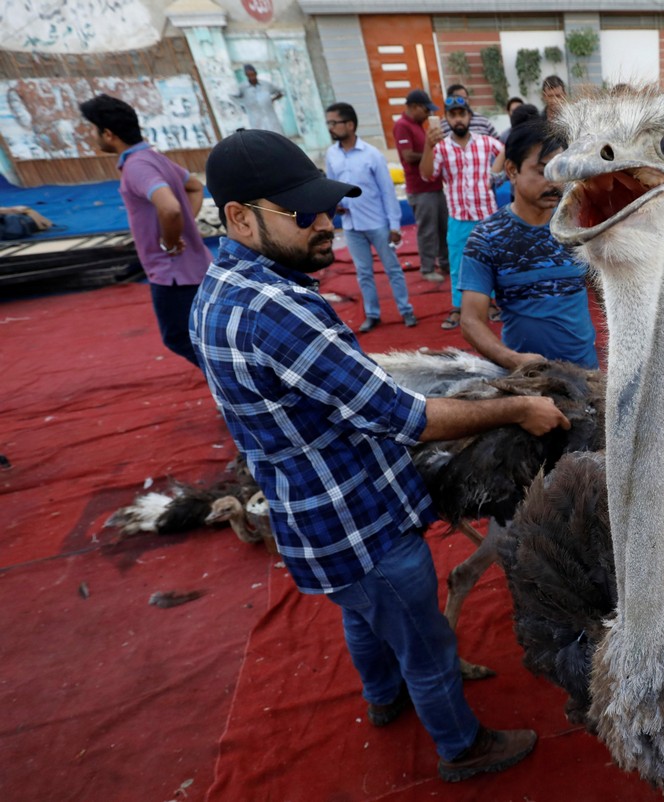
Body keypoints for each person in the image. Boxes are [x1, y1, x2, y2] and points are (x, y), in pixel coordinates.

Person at [192, 129, 567, 782]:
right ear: (239, 218)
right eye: (302, 213)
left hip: (310, 520)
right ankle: (461, 747)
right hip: (361, 523)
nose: (325, 224)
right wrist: (515, 407)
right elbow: (403, 418)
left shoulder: (217, 289)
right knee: (426, 644)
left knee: (364, 619)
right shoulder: (278, 310)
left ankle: (382, 696)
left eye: (325, 207)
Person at [79, 94, 208, 367]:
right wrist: (183, 226)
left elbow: (170, 208)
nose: (94, 137)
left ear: (109, 134)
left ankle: (234, 388)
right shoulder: (152, 158)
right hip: (192, 266)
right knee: (200, 335)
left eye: (94, 130)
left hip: (171, 272)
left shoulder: (137, 167)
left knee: (179, 337)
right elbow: (194, 187)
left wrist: (171, 242)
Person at [459, 120, 598, 369]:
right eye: (543, 171)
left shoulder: (580, 227)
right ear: (512, 170)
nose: (555, 183)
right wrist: (513, 361)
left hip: (586, 375)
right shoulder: (487, 237)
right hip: (524, 381)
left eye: (561, 171)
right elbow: (471, 320)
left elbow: (606, 295)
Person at [325, 102, 416, 332]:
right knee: (363, 272)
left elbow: (387, 191)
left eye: (334, 123)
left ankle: (406, 310)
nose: (331, 127)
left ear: (350, 124)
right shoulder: (332, 155)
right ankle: (372, 314)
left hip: (377, 223)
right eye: (329, 123)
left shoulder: (371, 155)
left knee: (392, 269)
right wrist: (336, 205)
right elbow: (332, 186)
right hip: (351, 225)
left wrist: (394, 225)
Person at [421, 94, 505, 330]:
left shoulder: (486, 142)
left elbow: (507, 150)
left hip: (487, 216)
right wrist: (428, 145)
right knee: (458, 264)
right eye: (453, 115)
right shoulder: (441, 148)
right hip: (458, 217)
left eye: (462, 114)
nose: (458, 119)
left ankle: (490, 303)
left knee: (492, 262)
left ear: (469, 116)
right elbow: (427, 174)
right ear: (447, 118)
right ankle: (459, 307)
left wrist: (495, 174)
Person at [393, 90, 447, 284]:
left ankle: (445, 263)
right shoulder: (402, 126)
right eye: (425, 110)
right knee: (428, 231)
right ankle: (427, 268)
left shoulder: (417, 125)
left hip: (434, 185)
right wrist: (430, 151)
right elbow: (408, 156)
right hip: (420, 188)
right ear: (415, 107)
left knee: (442, 228)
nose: (427, 115)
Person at [231, 64, 284, 134]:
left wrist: (273, 99)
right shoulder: (242, 88)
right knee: (260, 137)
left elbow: (281, 91)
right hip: (256, 121)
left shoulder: (266, 85)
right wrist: (242, 105)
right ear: (246, 75)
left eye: (253, 74)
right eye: (249, 75)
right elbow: (232, 96)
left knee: (277, 135)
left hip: (271, 119)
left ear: (256, 73)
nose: (252, 77)